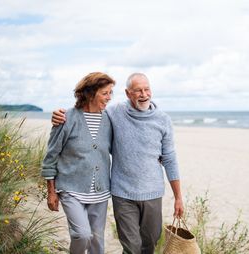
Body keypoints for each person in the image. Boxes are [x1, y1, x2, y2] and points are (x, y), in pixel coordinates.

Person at [52, 73, 183, 254]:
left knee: (149, 243)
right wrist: (60, 114)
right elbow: (89, 111)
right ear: (128, 93)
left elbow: (169, 158)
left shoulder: (163, 120)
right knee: (131, 246)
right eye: (138, 90)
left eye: (147, 89)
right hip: (122, 193)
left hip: (152, 192)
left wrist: (178, 197)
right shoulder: (113, 113)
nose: (144, 94)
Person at [42, 72, 115, 254]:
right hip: (70, 188)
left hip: (100, 190)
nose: (109, 98)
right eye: (105, 93)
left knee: (97, 240)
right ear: (90, 93)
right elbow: (51, 156)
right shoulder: (66, 118)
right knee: (82, 235)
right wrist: (51, 191)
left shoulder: (110, 119)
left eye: (110, 93)